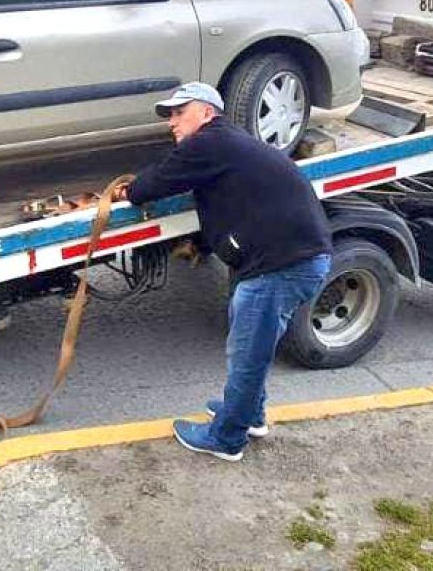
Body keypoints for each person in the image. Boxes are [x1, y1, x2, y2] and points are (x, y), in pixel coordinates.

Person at [114, 81, 332, 461]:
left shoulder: (209, 142)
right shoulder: (227, 143)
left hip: (281, 265)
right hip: (289, 259)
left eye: (180, 113)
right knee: (255, 345)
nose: (172, 123)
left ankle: (227, 439)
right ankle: (250, 415)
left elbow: (152, 184)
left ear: (207, 113)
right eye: (170, 116)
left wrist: (126, 192)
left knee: (247, 352)